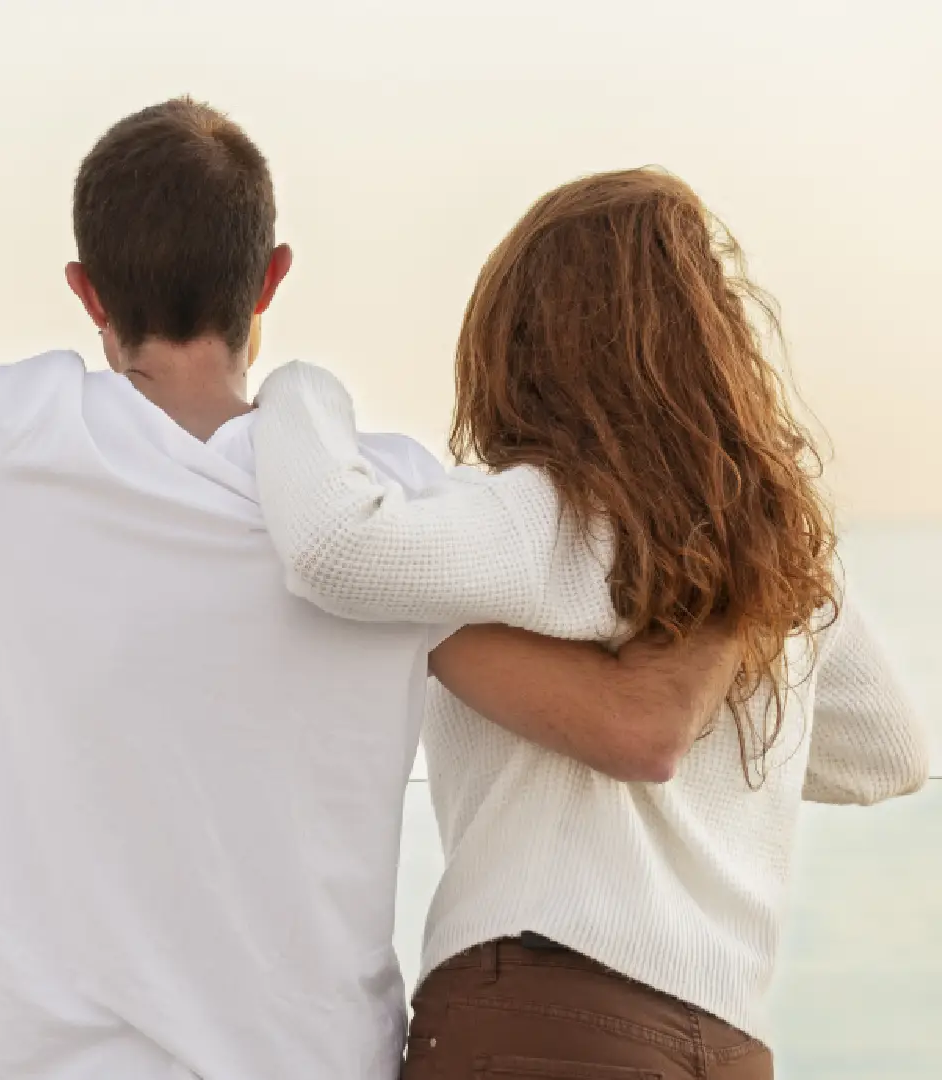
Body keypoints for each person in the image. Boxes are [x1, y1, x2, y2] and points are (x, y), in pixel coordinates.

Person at [0, 100, 742, 1080]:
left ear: (84, 289)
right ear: (271, 279)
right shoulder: (390, 506)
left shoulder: (9, 434)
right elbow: (630, 724)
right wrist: (760, 566)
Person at [249, 168, 928, 1079]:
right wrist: (740, 631)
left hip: (547, 1008)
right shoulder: (772, 559)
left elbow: (335, 546)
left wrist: (296, 392)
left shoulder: (547, 514)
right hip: (728, 1041)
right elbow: (892, 752)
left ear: (525, 342)